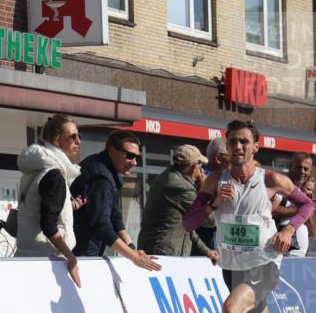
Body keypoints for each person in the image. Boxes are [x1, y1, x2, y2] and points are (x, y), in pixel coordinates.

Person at [182, 120, 315, 313]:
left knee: (231, 311)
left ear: (257, 145)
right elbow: (188, 224)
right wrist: (214, 203)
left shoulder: (270, 179)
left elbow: (306, 204)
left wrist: (290, 229)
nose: (238, 147)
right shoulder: (214, 180)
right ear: (226, 146)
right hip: (232, 266)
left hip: (265, 263)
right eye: (233, 142)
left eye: (244, 142)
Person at [15, 115, 86, 286]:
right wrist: (71, 257)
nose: (78, 141)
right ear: (56, 139)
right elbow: (48, 224)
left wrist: (70, 205)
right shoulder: (54, 174)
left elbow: (38, 205)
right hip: (46, 259)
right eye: (73, 136)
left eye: (79, 136)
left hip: (29, 253)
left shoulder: (35, 170)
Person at [74, 130, 160, 272]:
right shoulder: (102, 179)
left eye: (137, 157)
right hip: (81, 248)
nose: (134, 162)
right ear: (112, 151)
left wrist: (130, 246)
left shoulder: (102, 164)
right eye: (130, 156)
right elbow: (102, 225)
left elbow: (114, 212)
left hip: (83, 242)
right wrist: (133, 257)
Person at [138, 145, 219, 262]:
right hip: (164, 253)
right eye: (200, 166)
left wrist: (207, 251)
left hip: (160, 249)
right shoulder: (181, 187)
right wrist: (204, 189)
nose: (201, 171)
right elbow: (209, 221)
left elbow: (186, 227)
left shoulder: (169, 177)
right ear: (193, 168)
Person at [197, 138, 230, 250]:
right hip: (207, 235)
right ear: (218, 158)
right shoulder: (199, 176)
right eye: (229, 154)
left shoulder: (229, 176)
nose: (234, 158)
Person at [287, 181, 316, 258]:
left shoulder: (309, 203)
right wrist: (302, 208)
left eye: (312, 190)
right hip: (288, 250)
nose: (310, 193)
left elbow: (313, 232)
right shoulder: (288, 199)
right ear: (300, 187)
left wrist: (310, 209)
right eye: (308, 189)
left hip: (302, 253)